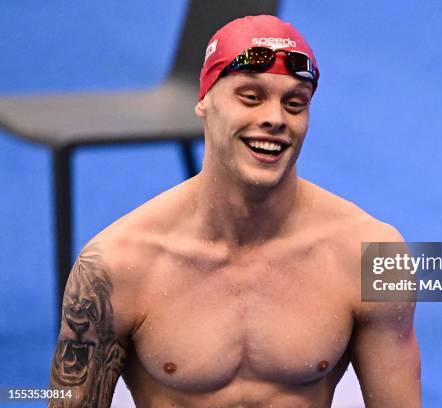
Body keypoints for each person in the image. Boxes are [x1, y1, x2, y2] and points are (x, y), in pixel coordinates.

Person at [48, 15, 420, 407]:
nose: (275, 119)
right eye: (251, 97)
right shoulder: (117, 266)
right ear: (204, 101)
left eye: (295, 104)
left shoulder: (371, 254)